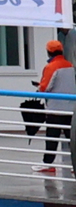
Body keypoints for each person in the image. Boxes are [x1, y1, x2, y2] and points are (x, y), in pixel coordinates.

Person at [31, 37, 72, 178]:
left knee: (52, 136)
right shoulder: (70, 65)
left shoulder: (51, 67)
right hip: (71, 108)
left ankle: (48, 164)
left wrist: (38, 87)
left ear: (49, 52)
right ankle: (75, 165)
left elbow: (45, 88)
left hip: (55, 108)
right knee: (71, 138)